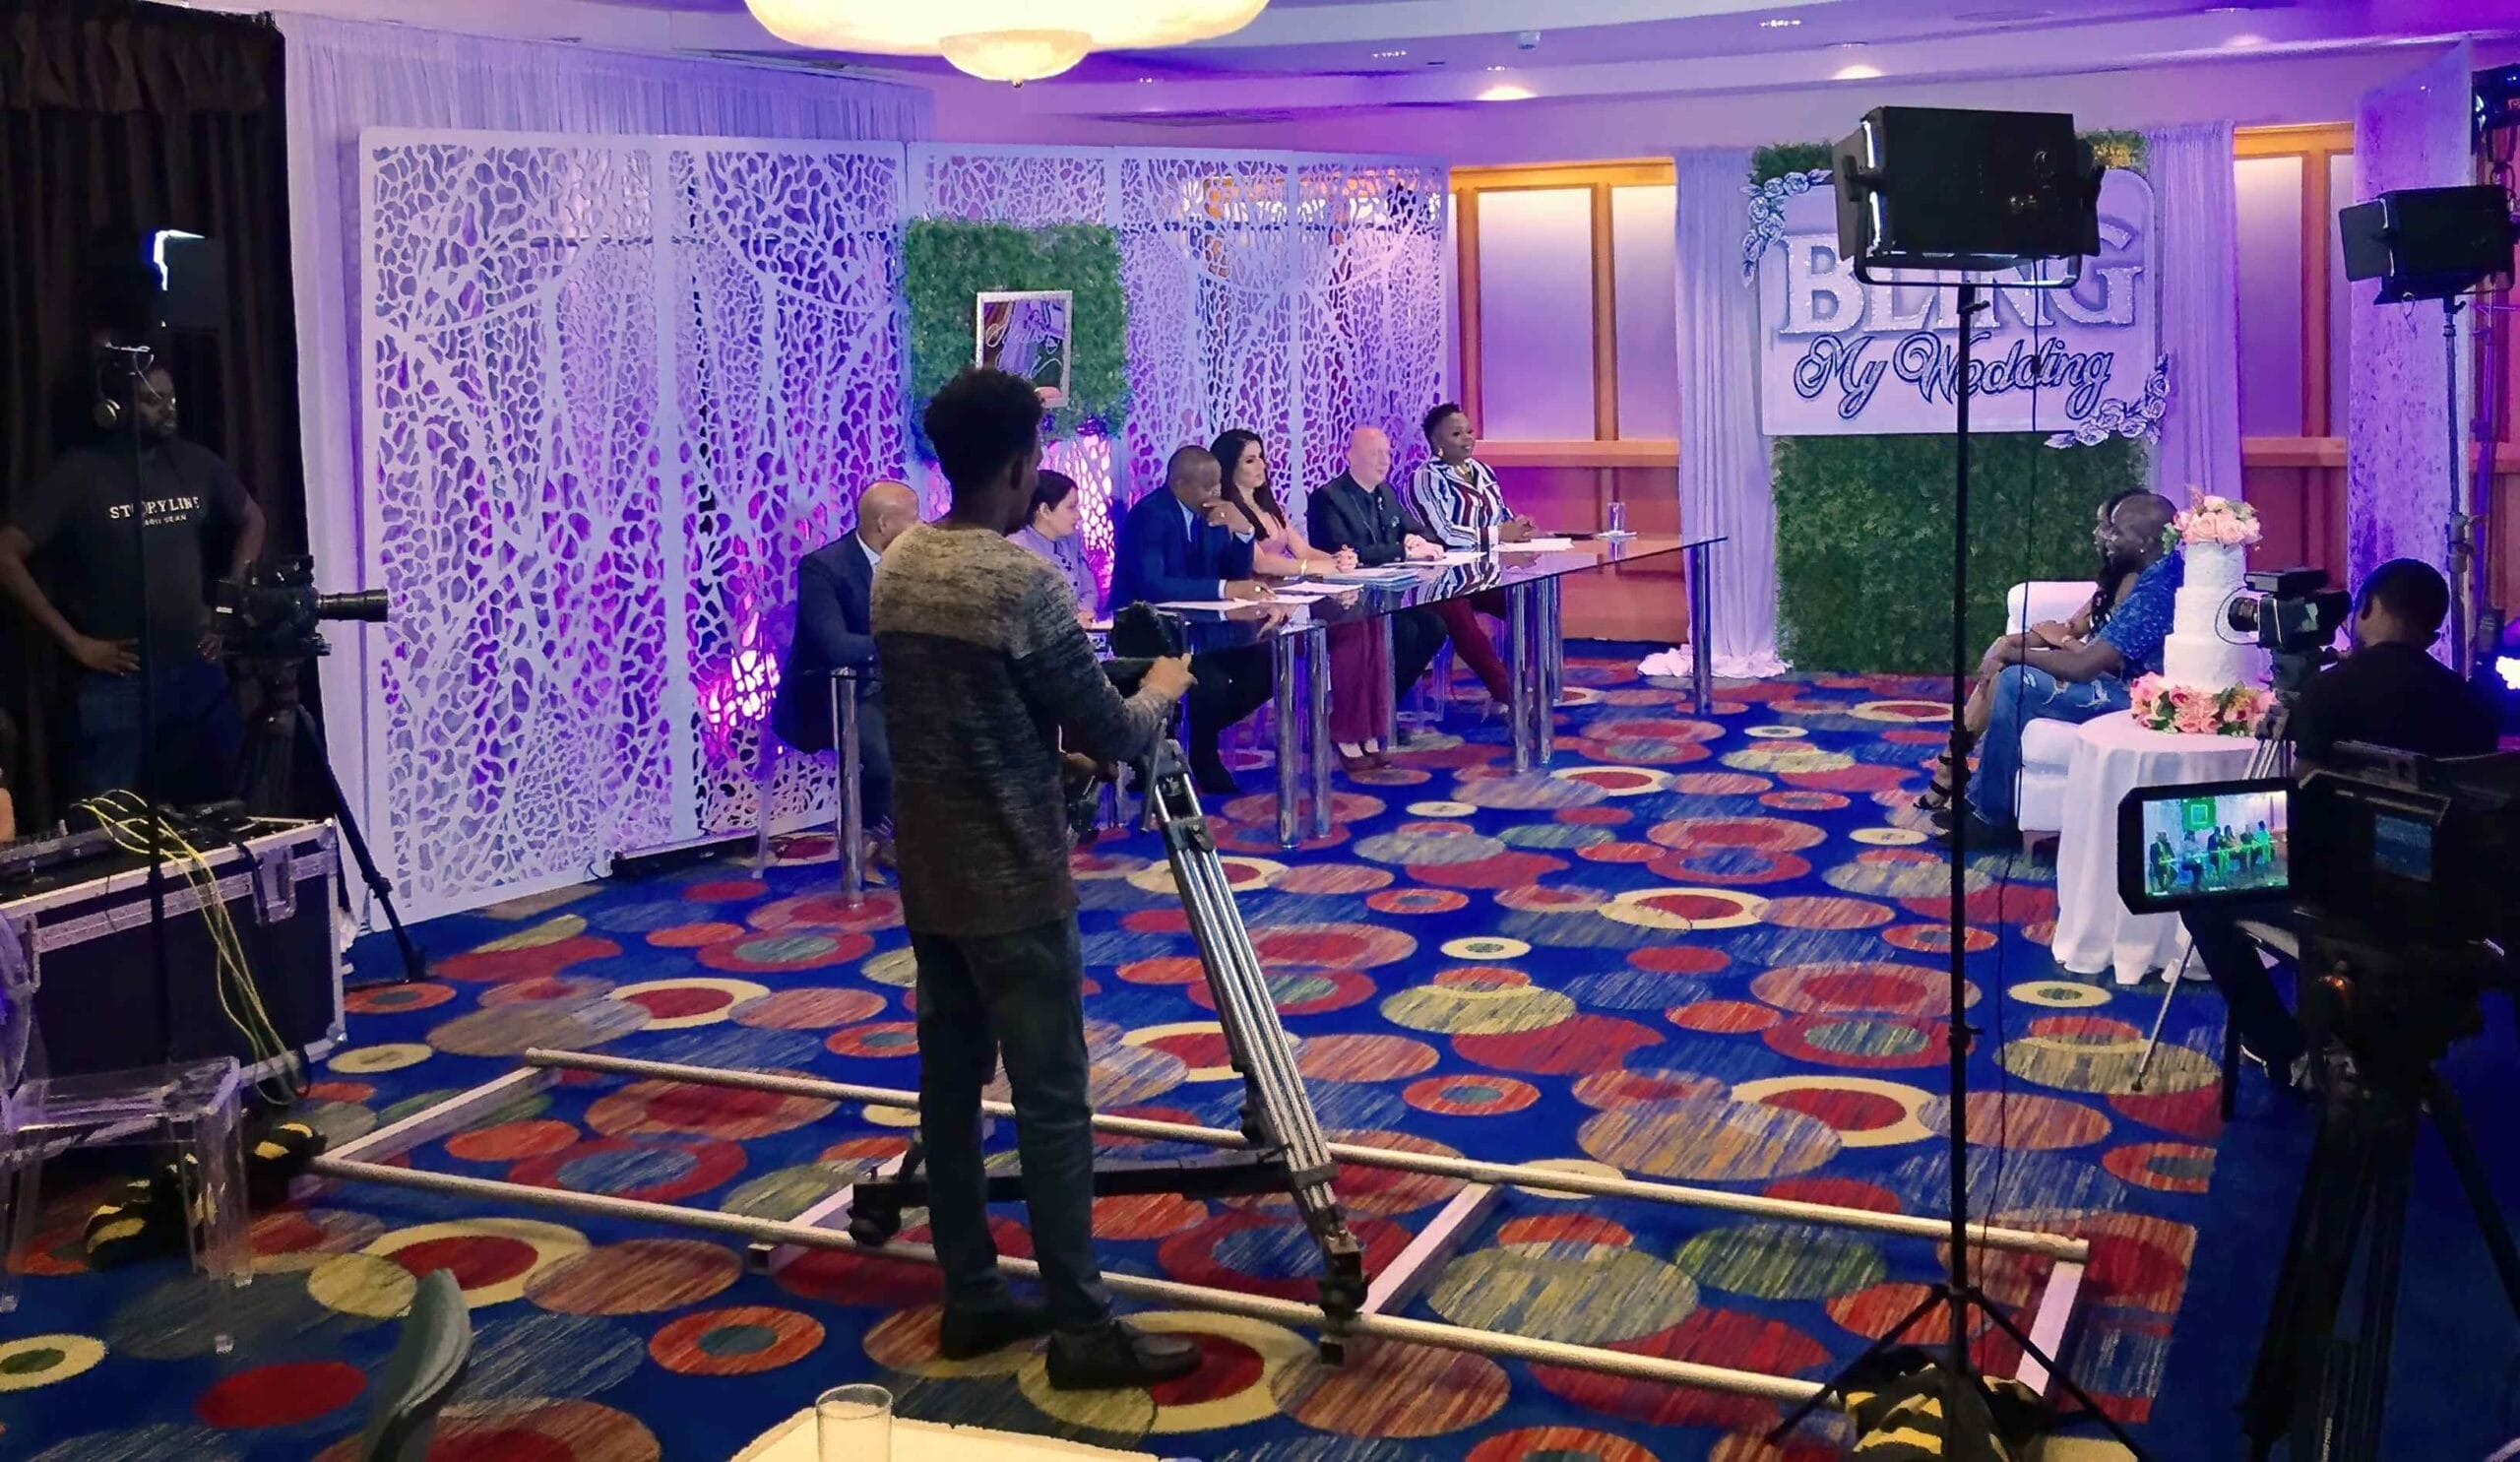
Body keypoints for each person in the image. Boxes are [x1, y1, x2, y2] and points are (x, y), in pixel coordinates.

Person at [871, 366, 1199, 1390]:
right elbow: (1113, 728)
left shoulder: (900, 565)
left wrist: (1049, 755)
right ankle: (1082, 1329)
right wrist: (1162, 687)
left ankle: (971, 1294)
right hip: (1013, 873)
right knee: (1053, 1102)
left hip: (930, 872)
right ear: (1021, 467)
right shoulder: (1022, 583)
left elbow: (963, 718)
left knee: (948, 1090)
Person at [2180, 558, 2499, 1084]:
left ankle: (2281, 1046)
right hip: (2445, 905)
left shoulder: (2330, 691)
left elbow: (2302, 802)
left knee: (2199, 888)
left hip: (2341, 901)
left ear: (2368, 607)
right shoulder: (2474, 704)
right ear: (2434, 629)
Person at [0, 360, 264, 805]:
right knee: (111, 820)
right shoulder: (77, 475)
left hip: (197, 669)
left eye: (170, 398)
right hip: (117, 682)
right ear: (115, 409)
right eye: (151, 400)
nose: (167, 409)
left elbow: (252, 518)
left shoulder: (194, 462)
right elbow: (6, 554)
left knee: (221, 808)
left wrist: (227, 605)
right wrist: (75, 643)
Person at [1953, 490, 2181, 850]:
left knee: (2017, 682)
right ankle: (1982, 802)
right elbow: (2077, 636)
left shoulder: (2157, 591)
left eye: (2116, 532)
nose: (2107, 538)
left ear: (2146, 542)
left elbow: (2084, 666)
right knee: (2015, 680)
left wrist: (2017, 655)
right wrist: (2018, 646)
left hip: (2138, 700)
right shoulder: (2146, 572)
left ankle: (1992, 819)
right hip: (2122, 683)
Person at [1919, 491, 2156, 812]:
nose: (2100, 535)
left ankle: (1981, 802)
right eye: (2103, 526)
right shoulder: (2118, 576)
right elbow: (2071, 627)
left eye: (2110, 528)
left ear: (2142, 539)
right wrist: (2010, 642)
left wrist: (2060, 642)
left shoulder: (2148, 591)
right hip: (2095, 670)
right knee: (2004, 665)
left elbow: (2092, 660)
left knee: (2014, 679)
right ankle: (1953, 761)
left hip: (2130, 694)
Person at [1108, 445, 1273, 795]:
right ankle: (1200, 754)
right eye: (1206, 486)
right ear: (1178, 484)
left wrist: (1244, 531)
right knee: (1209, 682)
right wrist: (1224, 588)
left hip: (1201, 627)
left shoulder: (1213, 513)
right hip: (1147, 629)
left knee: (1266, 665)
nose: (1214, 493)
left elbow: (1235, 573)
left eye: (1217, 484)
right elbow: (1153, 586)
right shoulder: (1150, 515)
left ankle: (1189, 736)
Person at [772, 479, 919, 867]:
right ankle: (871, 837)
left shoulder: (915, 563)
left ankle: (912, 835)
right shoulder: (824, 567)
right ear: (884, 524)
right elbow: (835, 645)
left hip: (896, 687)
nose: (921, 527)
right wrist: (903, 643)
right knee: (885, 758)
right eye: (913, 519)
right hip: (832, 692)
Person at [1308, 426, 1449, 768]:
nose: (1384, 461)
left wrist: (1418, 540)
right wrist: (1402, 550)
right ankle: (1348, 728)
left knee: (1431, 627)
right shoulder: (1328, 497)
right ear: (1350, 456)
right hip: (1339, 600)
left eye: (1387, 453)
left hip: (1382, 597)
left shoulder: (1385, 492)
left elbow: (1413, 529)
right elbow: (1347, 550)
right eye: (1375, 454)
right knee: (1373, 635)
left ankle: (1378, 716)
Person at [1402, 403, 1519, 705]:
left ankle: (1526, 679)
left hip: (1481, 574)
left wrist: (1518, 527)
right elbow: (1445, 533)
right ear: (1436, 442)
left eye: (1469, 431)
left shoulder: (1482, 470)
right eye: (1456, 434)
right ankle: (1506, 692)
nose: (1467, 438)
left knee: (1527, 601)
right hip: (1438, 581)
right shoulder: (1425, 478)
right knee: (1459, 614)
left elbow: (1501, 514)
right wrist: (1497, 534)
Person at [1011, 469, 1100, 626]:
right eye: (1071, 507)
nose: (1079, 515)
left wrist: (1083, 613)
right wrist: (1069, 622)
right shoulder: (1017, 548)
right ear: (1045, 510)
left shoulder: (1072, 538)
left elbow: (1089, 589)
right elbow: (1023, 614)